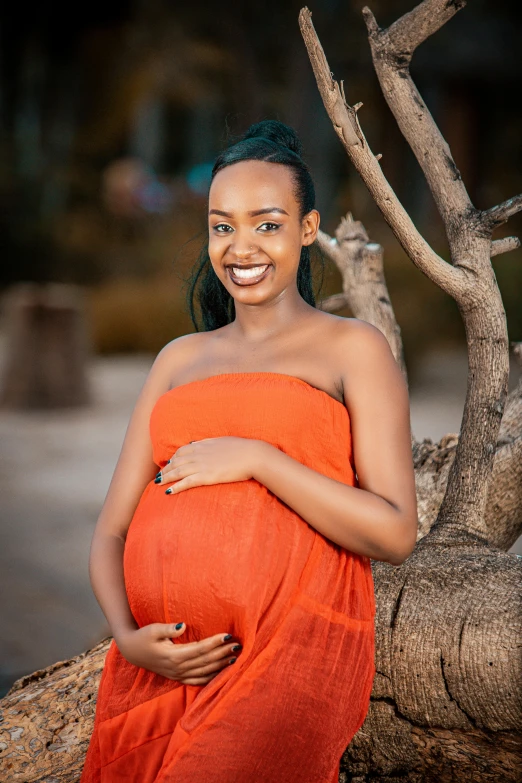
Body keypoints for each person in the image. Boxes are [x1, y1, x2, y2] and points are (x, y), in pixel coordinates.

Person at [80, 119, 418, 782]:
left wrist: (259, 458)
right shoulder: (178, 358)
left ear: (306, 226)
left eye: (266, 223)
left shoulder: (351, 348)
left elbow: (396, 529)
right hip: (156, 674)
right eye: (221, 225)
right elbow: (111, 529)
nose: (240, 247)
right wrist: (126, 635)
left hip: (283, 659)